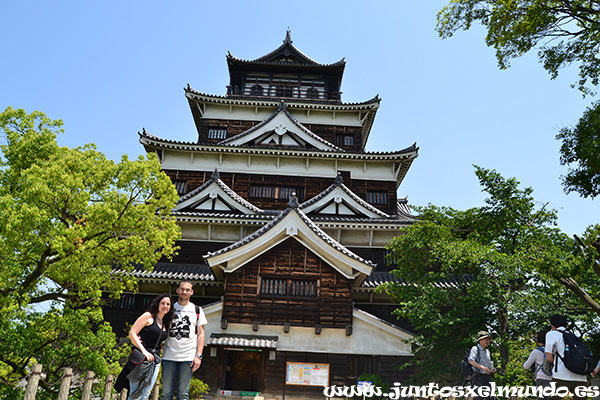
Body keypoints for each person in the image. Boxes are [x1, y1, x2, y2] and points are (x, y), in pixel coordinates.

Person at [115, 293, 174, 400]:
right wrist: (144, 351)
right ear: (157, 304)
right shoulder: (148, 316)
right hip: (140, 359)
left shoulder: (166, 322)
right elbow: (132, 333)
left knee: (146, 393)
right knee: (135, 393)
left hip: (155, 360)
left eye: (168, 304)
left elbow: (159, 341)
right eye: (163, 303)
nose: (165, 306)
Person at [161, 280, 207, 400]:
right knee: (166, 393)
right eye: (182, 289)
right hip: (169, 355)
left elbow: (201, 334)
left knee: (183, 394)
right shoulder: (170, 308)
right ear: (177, 290)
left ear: (192, 292)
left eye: (187, 290)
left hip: (188, 356)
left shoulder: (197, 310)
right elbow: (160, 325)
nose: (184, 292)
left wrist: (199, 355)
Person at [545, 314, 587, 400]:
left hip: (561, 376)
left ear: (552, 325)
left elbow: (548, 357)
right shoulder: (574, 336)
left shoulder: (552, 334)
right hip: (581, 377)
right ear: (566, 325)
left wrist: (557, 363)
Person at [523, 329, 552, 399]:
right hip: (554, 378)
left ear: (538, 340)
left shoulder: (536, 351)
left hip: (541, 379)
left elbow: (526, 366)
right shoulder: (554, 350)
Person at [469, 331, 497, 400]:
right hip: (477, 377)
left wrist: (492, 369)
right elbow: (471, 361)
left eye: (489, 340)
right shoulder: (475, 349)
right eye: (486, 339)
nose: (488, 341)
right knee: (478, 398)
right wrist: (482, 367)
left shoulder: (488, 351)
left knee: (491, 397)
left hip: (487, 377)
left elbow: (488, 364)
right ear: (480, 340)